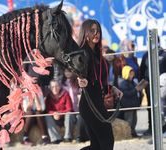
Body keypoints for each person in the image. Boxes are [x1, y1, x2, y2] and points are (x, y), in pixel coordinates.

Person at [76, 19, 123, 150]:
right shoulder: (82, 53)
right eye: (92, 30)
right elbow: (77, 73)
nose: (96, 33)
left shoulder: (97, 53)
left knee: (97, 145)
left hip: (97, 103)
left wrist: (112, 88)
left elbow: (99, 82)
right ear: (85, 33)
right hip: (89, 105)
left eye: (98, 31)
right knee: (107, 141)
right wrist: (80, 81)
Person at [61, 68, 88, 142]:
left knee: (80, 117)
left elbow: (81, 93)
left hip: (77, 106)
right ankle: (67, 137)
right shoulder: (63, 83)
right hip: (68, 107)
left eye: (69, 71)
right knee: (68, 115)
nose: (67, 73)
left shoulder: (77, 82)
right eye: (66, 71)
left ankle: (79, 137)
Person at [45, 79, 74, 144]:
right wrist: (54, 114)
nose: (55, 88)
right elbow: (47, 110)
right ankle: (55, 138)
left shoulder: (65, 93)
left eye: (56, 86)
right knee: (47, 116)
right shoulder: (49, 96)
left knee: (69, 114)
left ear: (60, 86)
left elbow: (69, 108)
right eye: (52, 87)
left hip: (65, 117)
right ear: (50, 88)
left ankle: (67, 137)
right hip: (55, 118)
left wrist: (60, 113)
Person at [119, 66, 144, 137]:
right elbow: (126, 94)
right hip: (128, 106)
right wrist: (136, 89)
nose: (132, 76)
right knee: (129, 121)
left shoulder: (133, 82)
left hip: (133, 105)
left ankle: (133, 132)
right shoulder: (123, 83)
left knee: (134, 120)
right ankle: (128, 134)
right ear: (126, 74)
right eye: (130, 74)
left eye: (132, 74)